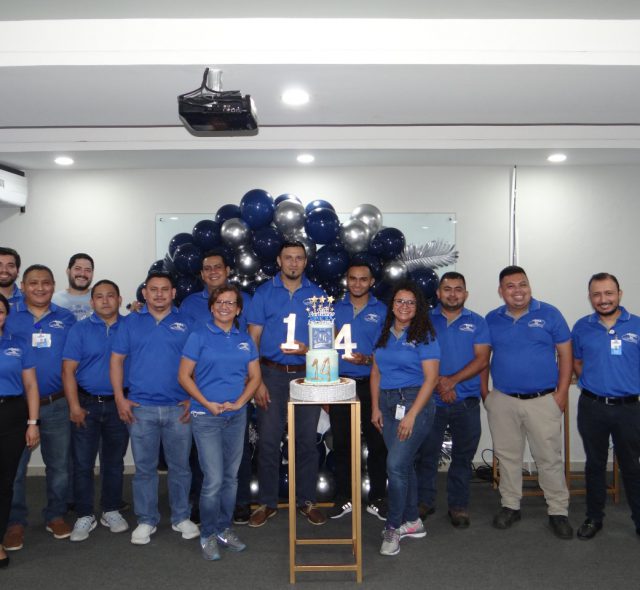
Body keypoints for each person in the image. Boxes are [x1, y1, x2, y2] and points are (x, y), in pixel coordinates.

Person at [484, 265, 573, 539]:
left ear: (529, 286)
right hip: (503, 400)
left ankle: (558, 510)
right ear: (501, 291)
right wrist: (485, 394)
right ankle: (511, 505)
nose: (518, 290)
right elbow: (482, 358)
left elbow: (566, 355)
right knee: (508, 457)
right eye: (510, 286)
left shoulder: (550, 314)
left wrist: (561, 393)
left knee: (549, 458)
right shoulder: (492, 319)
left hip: (542, 400)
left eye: (522, 284)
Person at [110, 271, 198, 545]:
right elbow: (116, 361)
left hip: (178, 408)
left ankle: (181, 517)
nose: (159, 294)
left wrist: (193, 398)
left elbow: (200, 362)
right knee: (145, 468)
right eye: (153, 289)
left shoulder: (188, 322)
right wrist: (119, 398)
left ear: (173, 293)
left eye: (164, 289)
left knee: (180, 467)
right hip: (141, 408)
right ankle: (146, 520)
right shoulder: (130, 323)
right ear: (145, 293)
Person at [246, 241, 327, 527]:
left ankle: (307, 500)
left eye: (299, 258)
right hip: (271, 374)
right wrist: (256, 381)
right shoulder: (264, 293)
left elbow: (324, 342)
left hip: (307, 375)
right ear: (279, 261)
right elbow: (253, 339)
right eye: (288, 258)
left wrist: (308, 350)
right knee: (268, 441)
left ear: (305, 262)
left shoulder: (317, 296)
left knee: (306, 441)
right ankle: (267, 503)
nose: (294, 263)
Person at [178, 285, 261, 561]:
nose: (225, 307)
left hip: (235, 417)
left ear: (238, 310)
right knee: (213, 480)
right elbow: (184, 376)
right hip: (206, 417)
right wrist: (206, 402)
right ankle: (208, 534)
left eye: (230, 303)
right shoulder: (198, 336)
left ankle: (224, 528)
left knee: (230, 478)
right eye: (220, 302)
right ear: (212, 307)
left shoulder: (245, 339)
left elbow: (255, 377)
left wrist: (240, 403)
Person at [2, 265, 76, 551]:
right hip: (18, 409)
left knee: (59, 466)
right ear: (23, 286)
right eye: (33, 283)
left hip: (57, 403)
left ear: (53, 285)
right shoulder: (9, 316)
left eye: (46, 282)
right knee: (15, 470)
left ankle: (55, 515)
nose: (40, 288)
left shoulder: (66, 318)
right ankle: (15, 522)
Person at [415, 272, 491, 528]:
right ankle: (424, 501)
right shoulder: (424, 320)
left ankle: (458, 505)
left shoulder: (477, 322)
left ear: (465, 294)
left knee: (463, 457)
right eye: (447, 289)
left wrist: (452, 381)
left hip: (466, 400)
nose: (453, 294)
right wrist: (440, 383)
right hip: (431, 400)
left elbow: (482, 359)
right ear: (438, 293)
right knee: (427, 454)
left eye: (458, 289)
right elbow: (416, 356)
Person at [370, 281, 440, 556]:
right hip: (387, 404)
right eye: (400, 301)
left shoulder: (425, 335)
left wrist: (411, 415)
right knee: (404, 465)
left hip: (414, 402)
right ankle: (412, 521)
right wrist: (375, 407)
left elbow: (431, 379)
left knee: (395, 465)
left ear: (418, 306)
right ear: (392, 305)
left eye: (411, 302)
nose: (404, 306)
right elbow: (376, 372)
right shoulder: (384, 332)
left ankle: (393, 526)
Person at [572, 272, 640, 540]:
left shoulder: (636, 325)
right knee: (595, 465)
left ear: (619, 294)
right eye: (597, 294)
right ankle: (594, 518)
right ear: (590, 297)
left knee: (632, 467)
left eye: (609, 293)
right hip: (592, 407)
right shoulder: (582, 326)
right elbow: (577, 362)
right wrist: (594, 383)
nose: (603, 299)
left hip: (628, 409)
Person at [62, 280, 130, 542]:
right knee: (82, 463)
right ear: (91, 302)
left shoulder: (131, 326)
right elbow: (68, 370)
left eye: (110, 295)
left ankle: (111, 509)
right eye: (99, 296)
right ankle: (85, 514)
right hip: (86, 404)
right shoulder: (79, 329)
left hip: (119, 404)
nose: (105, 300)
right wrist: (74, 406)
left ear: (119, 299)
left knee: (114, 462)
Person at [328, 263, 388, 521]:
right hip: (341, 384)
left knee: (377, 444)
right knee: (342, 443)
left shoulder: (382, 310)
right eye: (353, 278)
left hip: (372, 384)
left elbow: (389, 351)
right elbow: (324, 345)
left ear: (371, 282)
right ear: (346, 280)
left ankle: (377, 498)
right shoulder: (333, 309)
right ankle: (344, 497)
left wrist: (368, 360)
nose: (357, 283)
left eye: (363, 279)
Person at [0, 293, 40, 568]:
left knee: (5, 482)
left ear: (6, 316)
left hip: (12, 415)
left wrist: (32, 423)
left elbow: (31, 386)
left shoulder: (18, 345)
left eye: (0, 312)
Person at [52, 253, 94, 321]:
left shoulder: (101, 299)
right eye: (77, 269)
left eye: (87, 270)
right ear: (68, 271)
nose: (82, 274)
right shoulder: (53, 300)